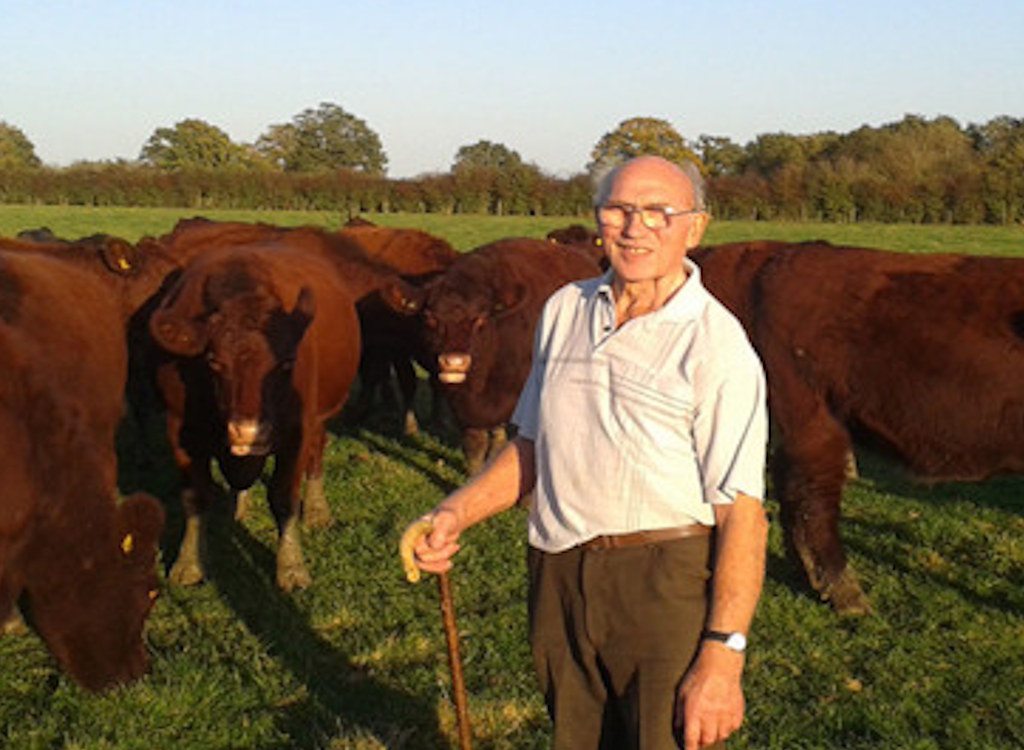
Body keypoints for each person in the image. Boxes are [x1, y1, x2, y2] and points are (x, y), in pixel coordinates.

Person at [407, 155, 769, 750]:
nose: (635, 228)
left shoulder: (716, 346)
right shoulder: (564, 310)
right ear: (598, 220)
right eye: (619, 210)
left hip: (662, 581)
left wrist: (723, 657)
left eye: (659, 213)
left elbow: (742, 513)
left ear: (695, 228)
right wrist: (454, 513)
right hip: (557, 573)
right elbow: (532, 446)